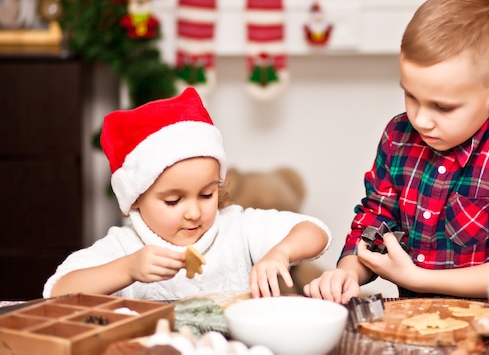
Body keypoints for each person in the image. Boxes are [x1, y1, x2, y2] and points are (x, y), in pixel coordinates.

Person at [303, 0, 489, 303]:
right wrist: (347, 271)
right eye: (411, 96)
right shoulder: (398, 136)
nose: (421, 119)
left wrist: (417, 277)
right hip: (416, 324)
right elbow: (375, 220)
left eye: (442, 107)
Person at [43, 87, 331, 300]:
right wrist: (128, 269)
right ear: (137, 199)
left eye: (206, 195)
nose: (194, 212)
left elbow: (316, 232)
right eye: (173, 201)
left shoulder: (236, 227)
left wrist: (279, 253)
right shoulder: (125, 247)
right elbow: (57, 291)